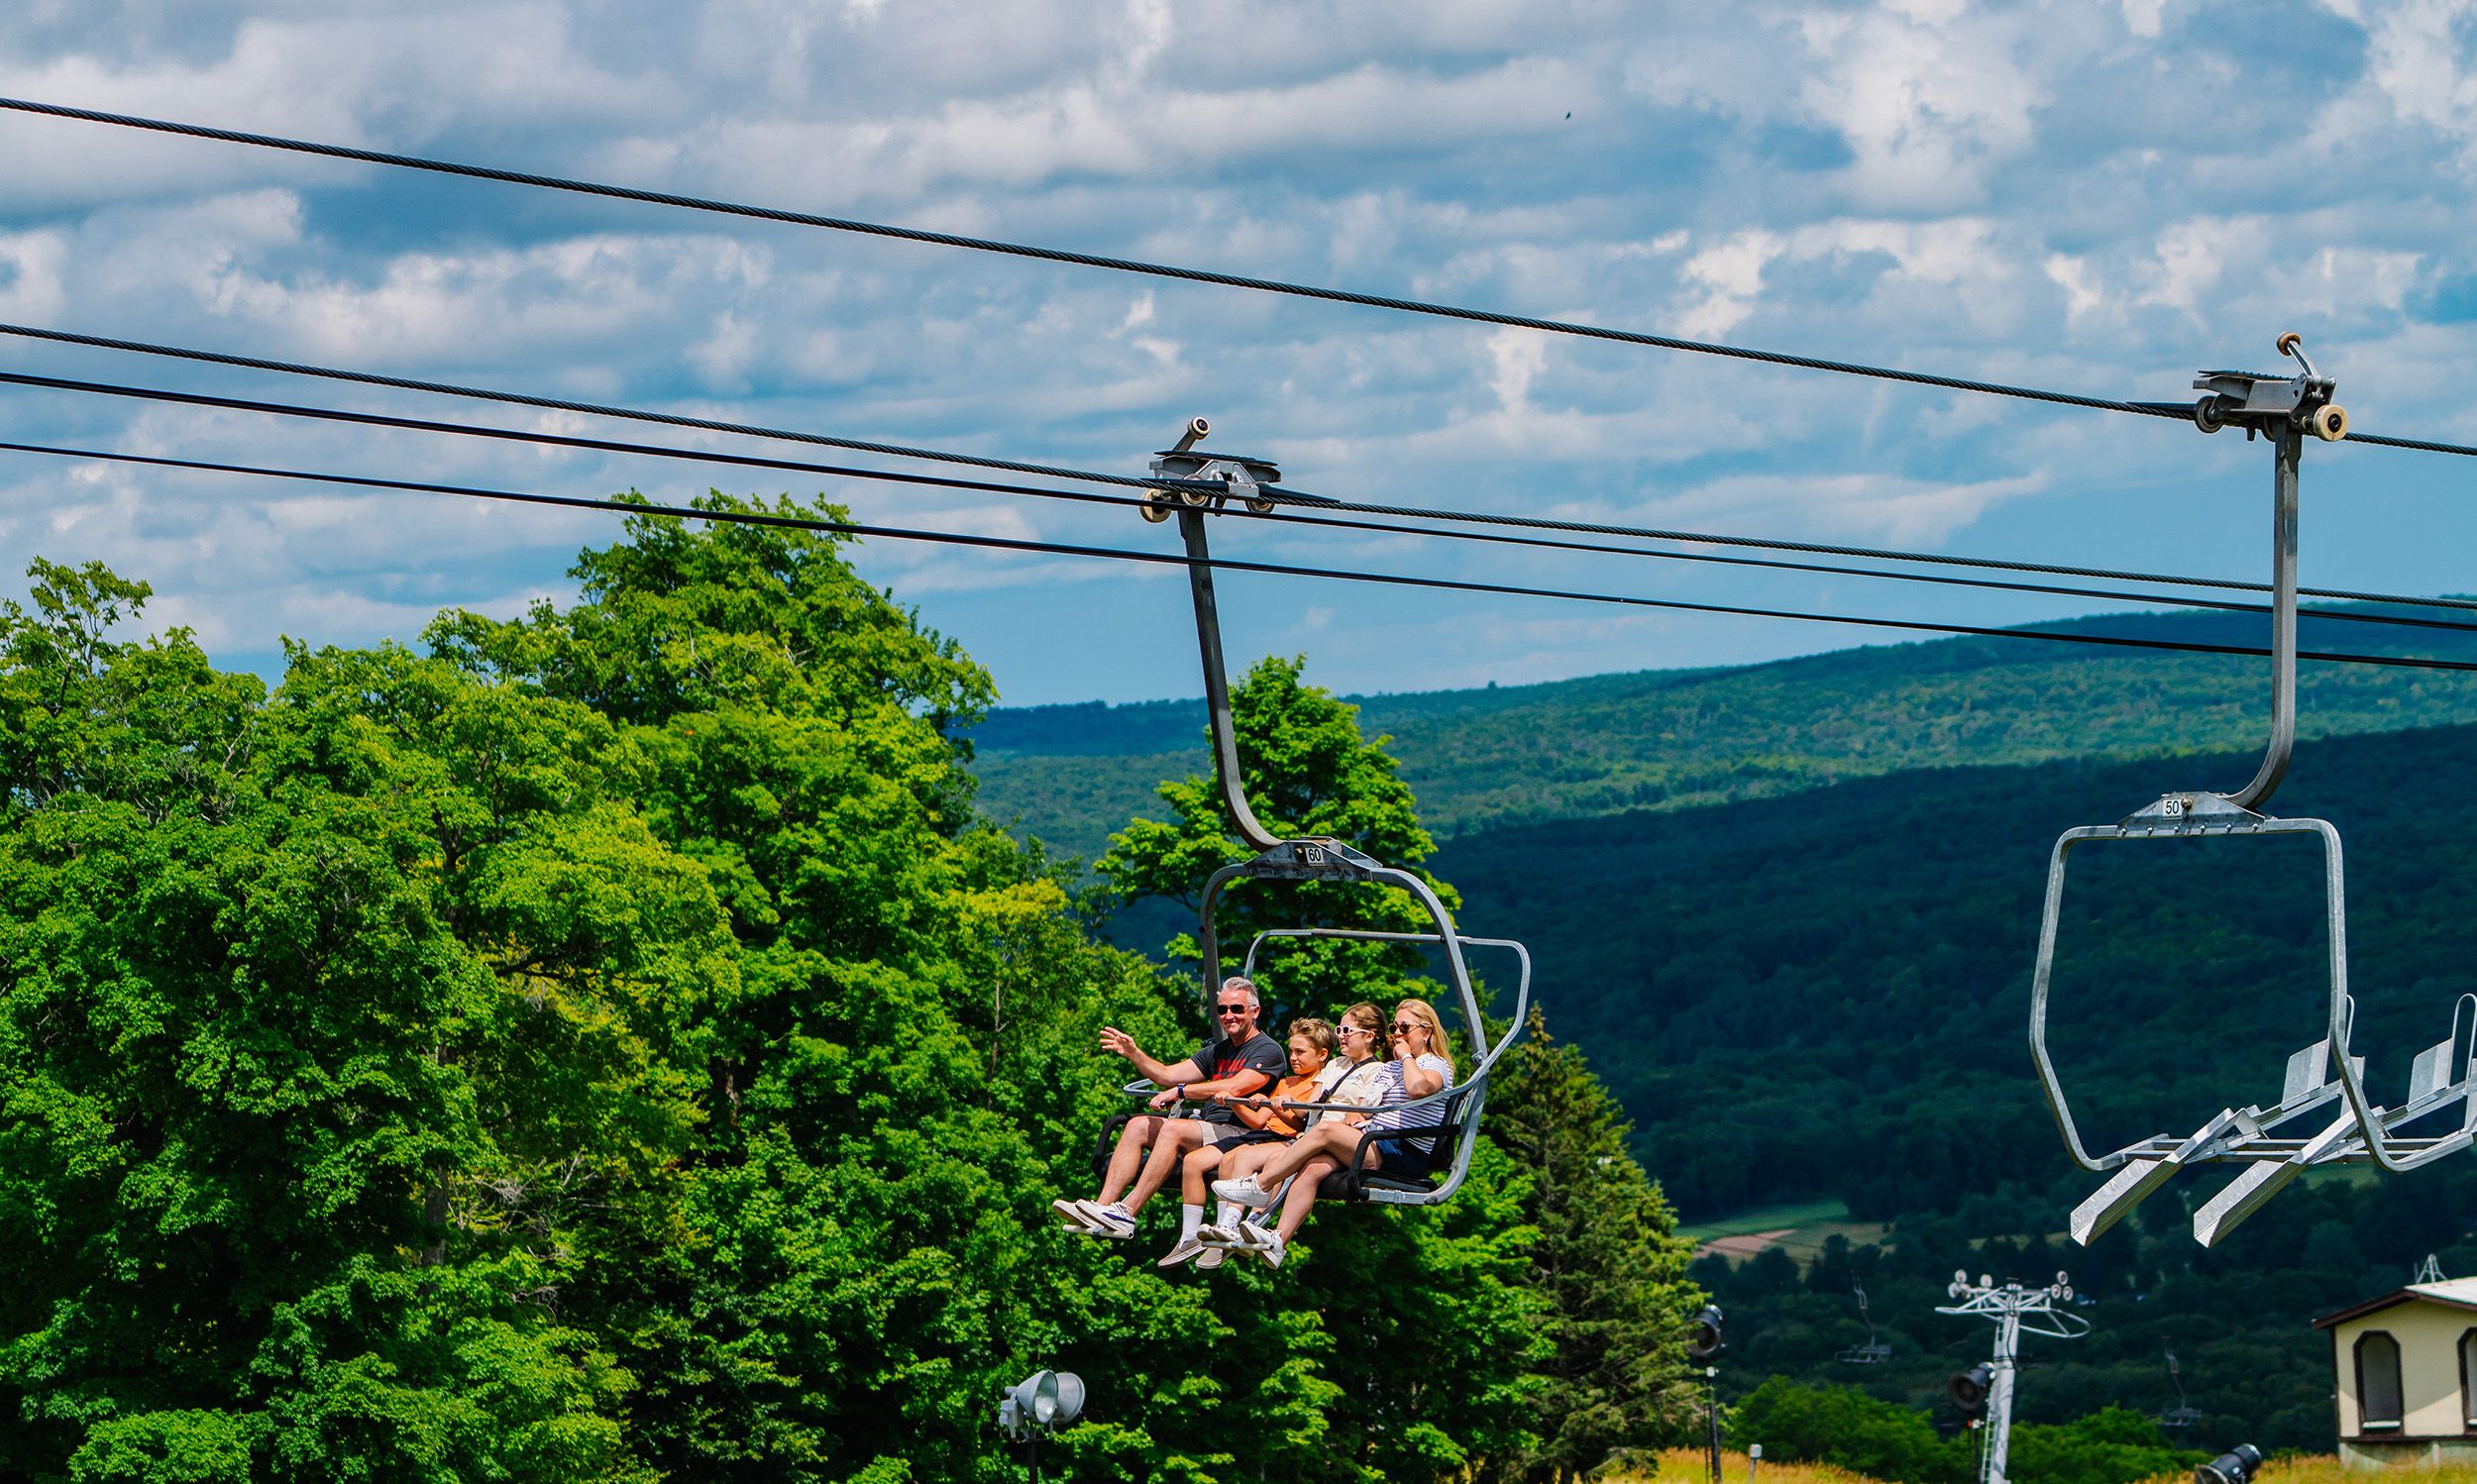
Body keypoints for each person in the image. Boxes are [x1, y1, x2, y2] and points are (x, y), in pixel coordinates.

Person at [1210, 997, 1457, 1268]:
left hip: (1401, 1149)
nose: (1397, 1034)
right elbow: (1366, 1107)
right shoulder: (1392, 1067)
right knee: (1314, 1167)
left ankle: (1261, 1185)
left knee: (1326, 1131)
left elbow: (1419, 1089)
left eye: (1405, 1028)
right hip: (1375, 1139)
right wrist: (1352, 1120)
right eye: (1394, 1028)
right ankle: (1278, 1241)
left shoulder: (1434, 1064)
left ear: (1427, 1030)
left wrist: (1408, 1056)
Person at [1051, 975, 1285, 1240]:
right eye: (1222, 1009)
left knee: (1173, 1129)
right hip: (1210, 1128)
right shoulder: (1218, 1051)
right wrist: (1134, 1054)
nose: (1228, 1015)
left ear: (1255, 1012)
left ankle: (1127, 1212)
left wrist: (1183, 1091)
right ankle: (1102, 1208)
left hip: (1241, 1134)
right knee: (1138, 1124)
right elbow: (1166, 1075)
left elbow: (1236, 1087)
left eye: (1236, 1009)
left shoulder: (1267, 1050)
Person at [1196, 1001, 1390, 1268]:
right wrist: (1280, 1105)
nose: (1340, 1035)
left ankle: (1254, 1218)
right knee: (1248, 1155)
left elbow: (1365, 1110)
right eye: (1339, 1029)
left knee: (1276, 1158)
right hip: (1313, 1133)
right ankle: (1231, 1223)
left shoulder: (1377, 1071)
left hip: (1338, 1137)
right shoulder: (1334, 1066)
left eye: (1346, 1030)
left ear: (1368, 1036)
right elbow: (1308, 1108)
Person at [1154, 1018, 1345, 1269]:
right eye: (1291, 1051)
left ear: (1322, 1055)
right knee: (1201, 1160)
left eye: (1300, 1052)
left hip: (1287, 1140)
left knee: (1239, 1157)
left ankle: (1229, 1224)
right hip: (1263, 1134)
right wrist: (1238, 1103)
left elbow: (1302, 1125)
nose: (1293, 1057)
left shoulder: (1319, 1084)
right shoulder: (1285, 1083)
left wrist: (1281, 1109)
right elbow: (1258, 1121)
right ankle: (1193, 1235)